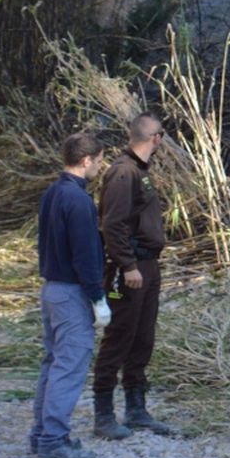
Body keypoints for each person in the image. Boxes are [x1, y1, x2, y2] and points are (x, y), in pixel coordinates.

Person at [30, 132, 113, 458]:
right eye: (100, 160)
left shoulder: (53, 192)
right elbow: (84, 255)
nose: (100, 167)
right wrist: (98, 298)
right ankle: (54, 439)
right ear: (86, 160)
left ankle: (41, 435)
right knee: (69, 364)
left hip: (51, 288)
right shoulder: (79, 201)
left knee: (52, 363)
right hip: (70, 292)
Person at [92, 112, 174, 439]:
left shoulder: (140, 171)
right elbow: (112, 224)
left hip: (148, 265)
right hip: (132, 269)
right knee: (120, 335)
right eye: (161, 136)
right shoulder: (123, 173)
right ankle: (103, 414)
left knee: (143, 337)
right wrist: (127, 265)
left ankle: (136, 408)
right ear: (155, 138)